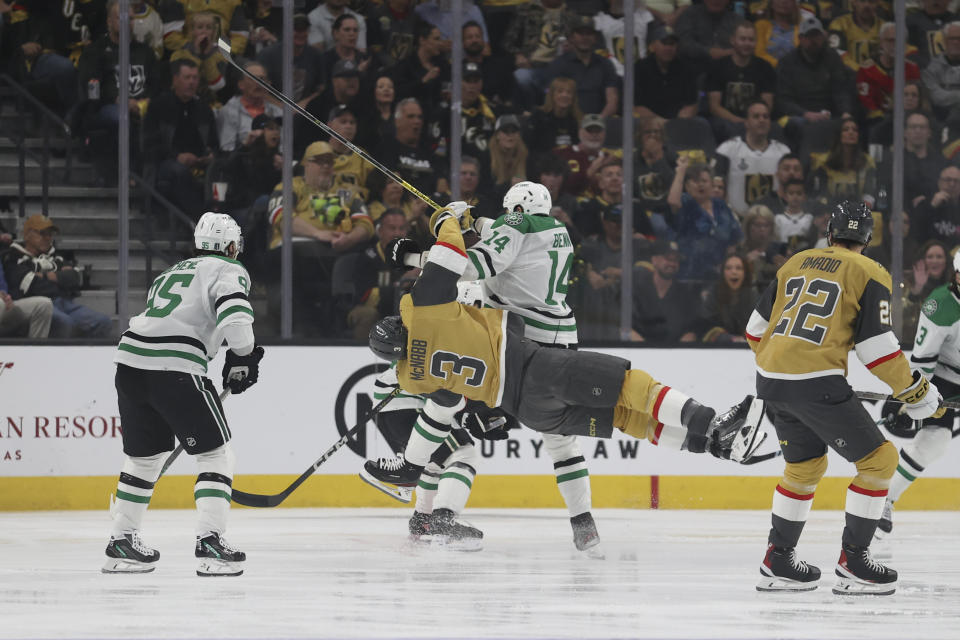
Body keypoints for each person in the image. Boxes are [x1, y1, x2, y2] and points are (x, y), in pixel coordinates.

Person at [361, 203, 766, 538]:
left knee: (622, 418)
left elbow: (440, 414)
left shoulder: (415, 376)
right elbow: (455, 260)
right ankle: (714, 427)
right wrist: (449, 217)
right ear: (400, 323)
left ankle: (715, 446)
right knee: (628, 385)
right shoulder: (428, 308)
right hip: (536, 366)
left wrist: (410, 464)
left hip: (526, 409)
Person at [373, 183, 611, 555]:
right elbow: (499, 234)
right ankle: (583, 522)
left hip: (521, 344)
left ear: (514, 209)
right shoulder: (553, 230)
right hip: (563, 338)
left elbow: (465, 267)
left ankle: (410, 473)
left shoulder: (514, 226)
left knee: (447, 404)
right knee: (560, 439)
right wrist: (475, 221)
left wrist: (418, 253)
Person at [746, 200, 944, 595]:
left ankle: (779, 560)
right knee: (880, 460)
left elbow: (754, 331)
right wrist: (915, 390)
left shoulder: (796, 262)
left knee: (803, 468)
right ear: (867, 240)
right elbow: (877, 348)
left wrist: (792, 363)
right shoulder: (869, 271)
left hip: (770, 380)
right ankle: (855, 562)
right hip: (815, 383)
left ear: (830, 234)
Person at [104, 212, 263, 576]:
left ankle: (121, 542)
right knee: (216, 454)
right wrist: (245, 356)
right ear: (233, 245)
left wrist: (235, 356)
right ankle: (211, 542)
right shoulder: (228, 269)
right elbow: (236, 321)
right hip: (175, 369)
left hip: (128, 364)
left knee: (145, 458)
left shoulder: (171, 272)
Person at [875, 249, 960, 540]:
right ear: (957, 277)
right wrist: (916, 395)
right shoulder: (940, 306)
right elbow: (923, 362)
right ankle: (884, 501)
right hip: (946, 378)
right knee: (934, 441)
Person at [1, 214, 111, 339]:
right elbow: (31, 286)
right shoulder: (13, 257)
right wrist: (59, 279)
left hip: (64, 302)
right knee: (65, 323)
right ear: (27, 235)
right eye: (42, 233)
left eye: (50, 234)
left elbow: (75, 278)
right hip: (39, 306)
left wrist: (43, 276)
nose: (47, 238)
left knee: (103, 322)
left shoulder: (57, 256)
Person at [143, 58, 218, 219]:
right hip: (164, 164)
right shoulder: (159, 106)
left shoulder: (204, 110)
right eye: (187, 77)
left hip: (199, 164)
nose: (192, 82)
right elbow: (149, 145)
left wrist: (209, 155)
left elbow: (214, 143)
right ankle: (201, 220)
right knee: (179, 171)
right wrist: (177, 157)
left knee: (220, 169)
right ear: (175, 79)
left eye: (195, 78)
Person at [668, 157, 743, 282]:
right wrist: (681, 171)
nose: (700, 184)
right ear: (687, 185)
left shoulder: (721, 206)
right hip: (689, 275)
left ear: (711, 184)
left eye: (704, 180)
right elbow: (673, 202)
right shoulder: (686, 203)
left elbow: (733, 239)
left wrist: (727, 265)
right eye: (695, 181)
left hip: (719, 275)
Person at [714, 100, 790, 216]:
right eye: (756, 116)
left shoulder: (783, 152)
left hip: (774, 220)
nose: (762, 120)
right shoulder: (728, 149)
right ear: (746, 122)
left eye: (765, 116)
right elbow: (716, 186)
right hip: (737, 219)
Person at [707, 20, 777, 142]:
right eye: (742, 39)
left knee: (776, 128)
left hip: (756, 120)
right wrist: (740, 121)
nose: (747, 44)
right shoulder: (718, 67)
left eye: (751, 40)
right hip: (726, 121)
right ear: (732, 40)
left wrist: (753, 121)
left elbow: (767, 105)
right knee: (726, 127)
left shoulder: (765, 68)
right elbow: (714, 107)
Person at [545, 14, 619, 117]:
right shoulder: (558, 64)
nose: (585, 37)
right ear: (571, 37)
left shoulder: (605, 64)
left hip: (598, 124)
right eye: (580, 33)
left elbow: (612, 101)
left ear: (595, 38)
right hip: (568, 122)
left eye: (589, 33)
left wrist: (597, 121)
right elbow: (554, 99)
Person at [630, 239, 700, 343]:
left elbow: (692, 330)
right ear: (654, 260)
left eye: (676, 260)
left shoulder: (686, 294)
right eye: (668, 259)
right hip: (639, 352)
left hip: (675, 354)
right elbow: (626, 326)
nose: (672, 263)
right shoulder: (637, 290)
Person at [633, 24, 699, 121]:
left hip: (678, 123)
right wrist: (660, 122)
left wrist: (680, 121)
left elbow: (692, 104)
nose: (668, 48)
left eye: (672, 44)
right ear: (652, 46)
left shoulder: (686, 68)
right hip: (647, 122)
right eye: (664, 43)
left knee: (702, 123)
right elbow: (636, 106)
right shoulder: (639, 68)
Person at [217, 60, 282, 153]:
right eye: (252, 78)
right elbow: (226, 150)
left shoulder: (278, 113)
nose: (258, 82)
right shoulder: (229, 112)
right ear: (241, 85)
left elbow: (284, 148)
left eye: (262, 79)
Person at [808, 118, 877, 202]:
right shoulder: (823, 162)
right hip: (829, 210)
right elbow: (818, 193)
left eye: (854, 130)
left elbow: (870, 192)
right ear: (838, 135)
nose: (851, 132)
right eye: (846, 129)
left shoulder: (867, 162)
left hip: (857, 211)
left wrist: (865, 205)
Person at [699, 253, 757, 343]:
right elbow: (706, 325)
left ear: (745, 273)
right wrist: (729, 339)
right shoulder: (713, 295)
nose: (734, 272)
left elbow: (759, 326)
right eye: (728, 268)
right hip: (718, 349)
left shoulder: (754, 296)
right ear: (723, 273)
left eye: (739, 268)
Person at [527, 76, 582, 154]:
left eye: (569, 92)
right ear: (552, 95)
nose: (565, 95)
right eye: (560, 91)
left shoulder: (577, 119)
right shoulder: (538, 116)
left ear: (573, 97)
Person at [0, 260, 52, 339]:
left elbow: (2, 284)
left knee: (44, 304)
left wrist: (5, 297)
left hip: (5, 303)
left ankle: (35, 348)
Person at [827, 0, 881, 71]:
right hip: (846, 76)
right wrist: (861, 70)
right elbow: (836, 54)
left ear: (877, 4)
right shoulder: (839, 24)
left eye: (871, 1)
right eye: (862, 1)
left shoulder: (885, 28)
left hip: (878, 78)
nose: (867, 5)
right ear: (854, 2)